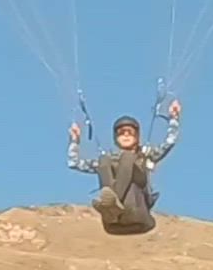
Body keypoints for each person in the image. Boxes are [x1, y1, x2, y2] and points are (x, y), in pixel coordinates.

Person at [68, 98, 182, 234]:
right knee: (104, 160)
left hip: (139, 205)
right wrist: (74, 141)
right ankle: (111, 207)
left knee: (128, 157)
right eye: (121, 133)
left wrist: (174, 118)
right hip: (115, 222)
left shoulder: (145, 155)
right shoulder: (111, 160)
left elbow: (169, 143)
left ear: (137, 136)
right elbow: (74, 163)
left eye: (130, 132)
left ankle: (113, 204)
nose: (126, 135)